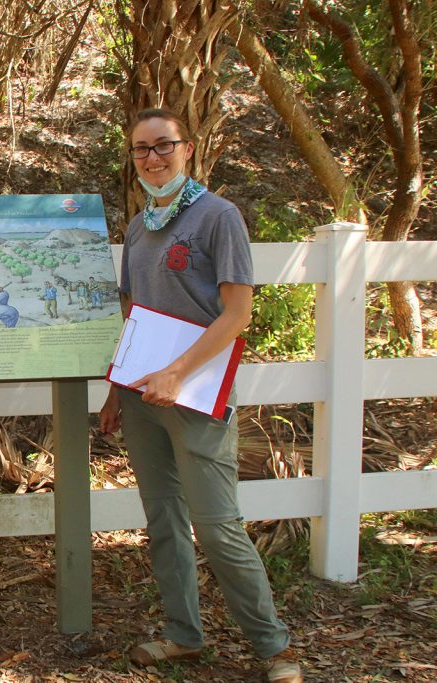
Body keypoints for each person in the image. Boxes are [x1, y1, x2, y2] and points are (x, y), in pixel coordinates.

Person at [99, 109, 302, 683]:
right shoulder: (139, 226)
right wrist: (119, 389)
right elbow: (134, 312)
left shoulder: (219, 216)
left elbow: (237, 313)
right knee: (163, 518)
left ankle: (274, 648)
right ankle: (184, 635)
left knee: (217, 525)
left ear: (188, 149)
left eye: (163, 146)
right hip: (142, 398)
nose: (152, 158)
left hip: (196, 396)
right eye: (140, 150)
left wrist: (175, 373)